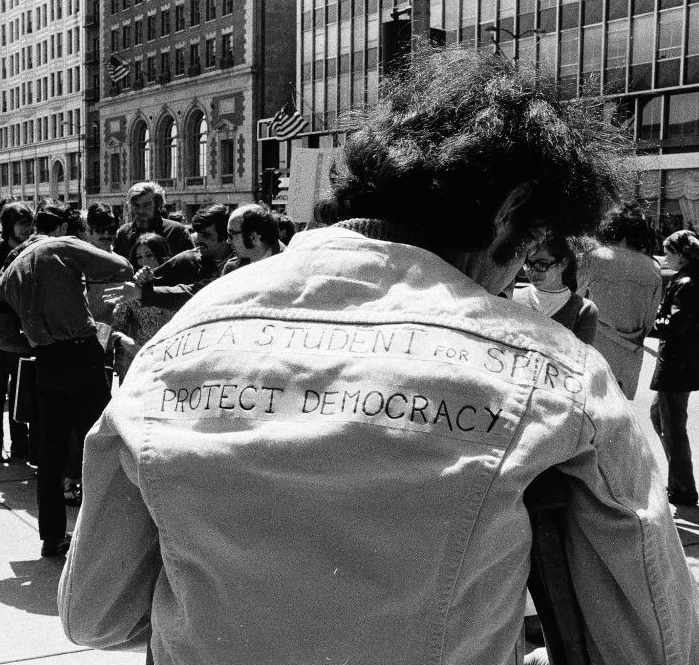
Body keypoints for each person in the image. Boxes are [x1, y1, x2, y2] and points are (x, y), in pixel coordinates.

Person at [59, 47, 699, 664]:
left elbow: (96, 613)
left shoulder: (181, 337)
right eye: (527, 245)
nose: (513, 280)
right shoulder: (556, 373)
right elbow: (656, 644)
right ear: (507, 214)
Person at [0, 200, 133, 558]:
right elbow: (121, 266)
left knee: (51, 454)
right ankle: (102, 535)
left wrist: (40, 338)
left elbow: (3, 339)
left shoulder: (9, 271)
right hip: (82, 354)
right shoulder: (62, 246)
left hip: (47, 362)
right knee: (100, 445)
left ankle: (52, 536)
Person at [577, 206, 662, 399]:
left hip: (594, 347)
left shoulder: (595, 257)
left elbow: (576, 303)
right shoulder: (653, 267)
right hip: (630, 355)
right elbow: (650, 322)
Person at [0, 200, 36, 462]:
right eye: (20, 222)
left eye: (29, 223)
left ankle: (20, 444)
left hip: (24, 336)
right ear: (8, 225)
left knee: (21, 391)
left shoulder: (34, 252)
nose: (26, 228)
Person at [650, 229, 699, 508]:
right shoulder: (688, 279)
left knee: (672, 426)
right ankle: (679, 481)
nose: (665, 257)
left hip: (677, 363)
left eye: (668, 251)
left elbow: (677, 323)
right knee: (660, 416)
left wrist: (653, 324)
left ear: (680, 254)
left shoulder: (687, 282)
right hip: (682, 362)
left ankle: (683, 489)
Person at [108, 204, 233, 313]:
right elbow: (156, 278)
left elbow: (198, 294)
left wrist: (143, 293)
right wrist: (142, 279)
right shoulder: (188, 259)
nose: (198, 240)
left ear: (225, 236)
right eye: (198, 233)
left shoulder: (242, 261)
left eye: (206, 235)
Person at [110, 233, 174, 378]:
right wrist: (126, 341)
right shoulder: (132, 289)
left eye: (149, 255)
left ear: (162, 257)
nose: (144, 261)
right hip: (140, 361)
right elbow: (114, 326)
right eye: (139, 257)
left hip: (171, 360)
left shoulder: (177, 287)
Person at [512, 236, 598, 344]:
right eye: (528, 264)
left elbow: (583, 358)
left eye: (542, 264)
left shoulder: (584, 310)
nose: (532, 272)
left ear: (562, 264)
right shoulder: (512, 296)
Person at [112, 181, 193, 261]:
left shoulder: (177, 232)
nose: (141, 211)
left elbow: (191, 265)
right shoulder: (123, 233)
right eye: (136, 205)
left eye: (146, 205)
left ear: (158, 205)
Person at [223, 203, 284, 275]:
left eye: (232, 234)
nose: (228, 241)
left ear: (253, 237)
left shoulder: (287, 265)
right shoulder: (232, 268)